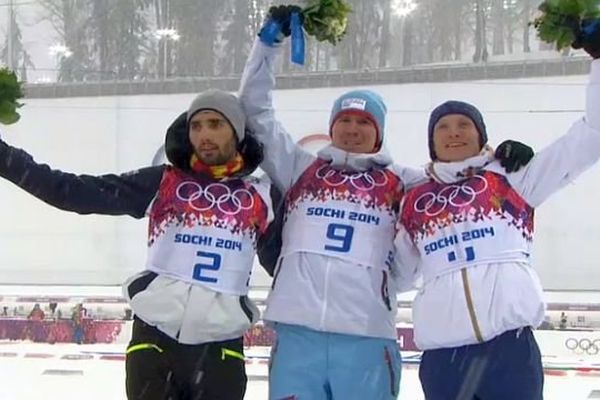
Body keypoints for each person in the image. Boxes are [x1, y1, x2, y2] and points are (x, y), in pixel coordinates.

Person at [238, 7, 534, 399]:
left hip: (366, 338)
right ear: (332, 127)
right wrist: (268, 45)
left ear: (378, 133)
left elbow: (458, 179)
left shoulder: (405, 183)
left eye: (365, 123)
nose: (353, 129)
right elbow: (256, 112)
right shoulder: (300, 170)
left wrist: (497, 159)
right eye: (345, 120)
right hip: (298, 335)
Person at [0, 89, 277, 400]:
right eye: (196, 126)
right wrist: (5, 157)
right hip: (155, 342)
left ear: (237, 132)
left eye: (215, 124)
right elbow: (72, 192)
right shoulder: (164, 182)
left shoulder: (262, 196)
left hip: (221, 348)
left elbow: (285, 267)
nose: (204, 135)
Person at [394, 41, 600, 399]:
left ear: (481, 137)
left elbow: (590, 137)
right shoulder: (414, 200)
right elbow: (396, 275)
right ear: (432, 141)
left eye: (463, 125)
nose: (454, 132)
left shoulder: (512, 179)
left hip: (510, 352)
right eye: (443, 127)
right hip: (444, 360)